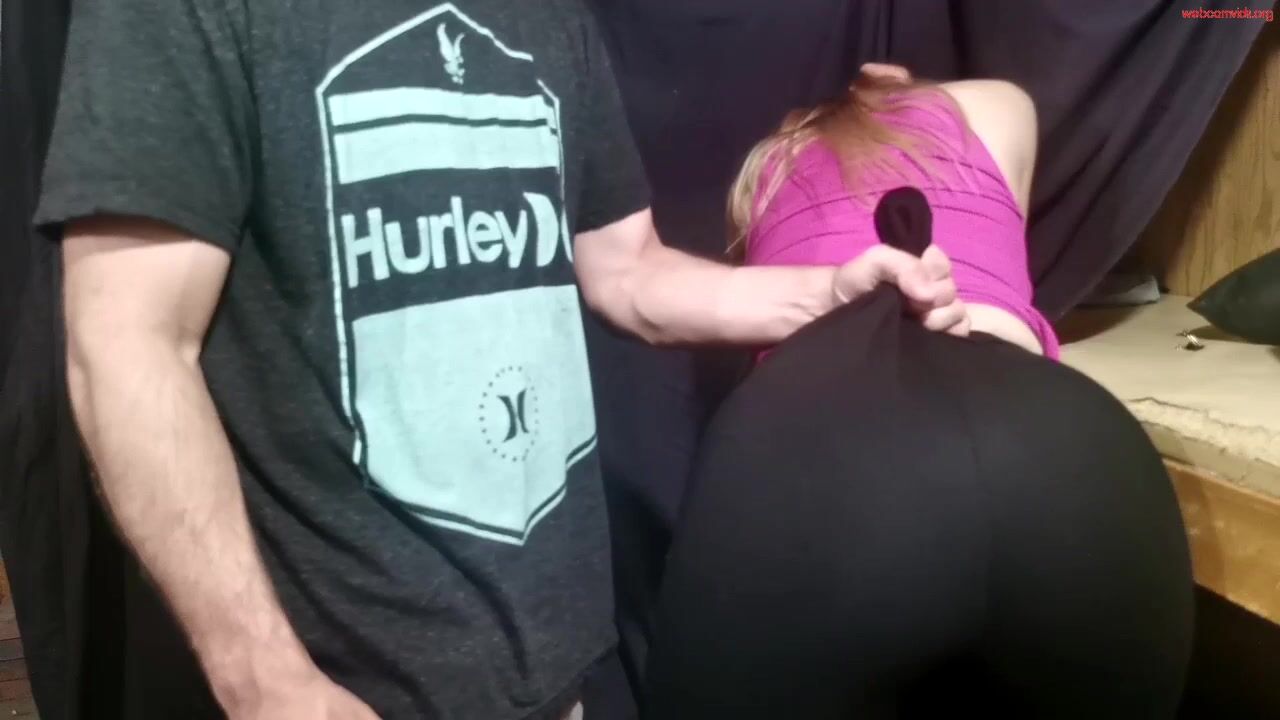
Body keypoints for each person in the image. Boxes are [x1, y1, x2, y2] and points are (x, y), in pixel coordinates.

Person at [36, 4, 970, 719]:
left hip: (554, 674)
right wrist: (268, 684)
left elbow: (627, 270)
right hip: (345, 687)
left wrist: (828, 294)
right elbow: (127, 342)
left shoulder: (544, 15)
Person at [642, 67, 1194, 717]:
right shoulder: (997, 108)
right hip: (1055, 435)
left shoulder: (765, 170)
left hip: (822, 458)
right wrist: (894, 89)